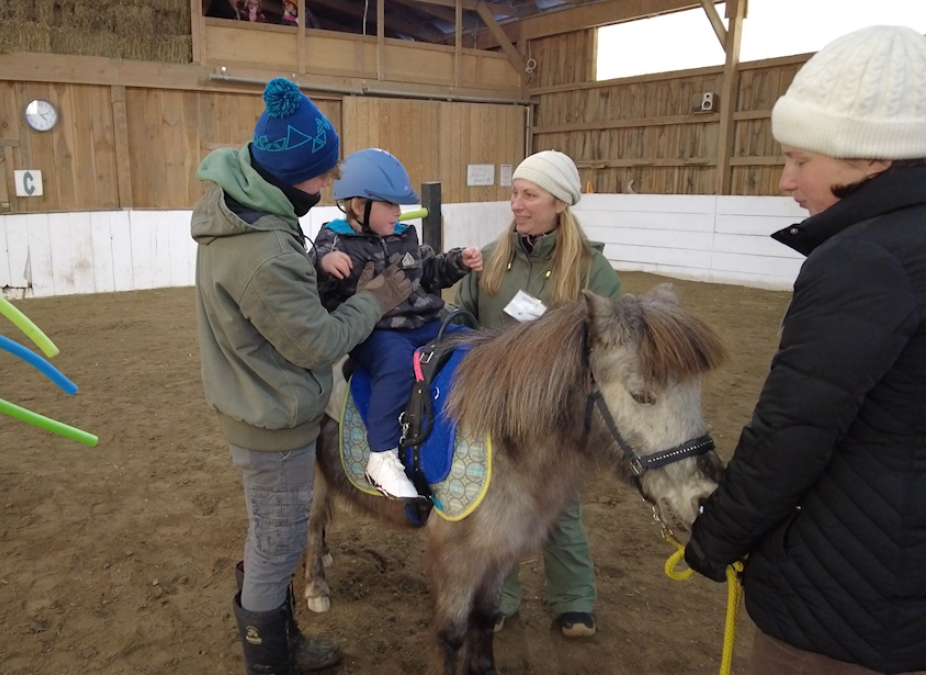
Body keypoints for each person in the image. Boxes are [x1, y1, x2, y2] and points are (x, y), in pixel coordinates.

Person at [683, 25, 926, 675]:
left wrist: (714, 537)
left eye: (801, 158)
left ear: (871, 157)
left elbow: (792, 431)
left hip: (837, 603)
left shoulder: (864, 260)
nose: (786, 179)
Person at [192, 77, 413, 675]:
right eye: (320, 176)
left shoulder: (248, 211)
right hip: (274, 417)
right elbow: (317, 343)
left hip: (255, 398)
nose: (326, 186)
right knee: (276, 541)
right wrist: (374, 299)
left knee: (272, 533)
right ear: (291, 174)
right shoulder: (262, 252)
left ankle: (279, 641)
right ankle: (272, 661)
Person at [450, 150, 621, 638]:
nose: (517, 205)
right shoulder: (491, 257)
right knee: (496, 508)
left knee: (558, 509)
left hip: (555, 419)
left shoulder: (591, 270)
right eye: (514, 193)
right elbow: (459, 313)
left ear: (560, 203)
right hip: (493, 412)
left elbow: (612, 345)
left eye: (529, 195)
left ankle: (573, 599)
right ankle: (499, 596)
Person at [312, 148, 483, 499]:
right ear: (359, 206)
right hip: (377, 332)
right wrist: (324, 263)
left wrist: (458, 262)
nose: (398, 212)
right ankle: (382, 456)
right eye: (390, 204)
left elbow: (429, 272)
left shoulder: (405, 234)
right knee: (395, 365)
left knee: (470, 343)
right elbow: (310, 272)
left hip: (425, 322)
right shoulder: (334, 237)